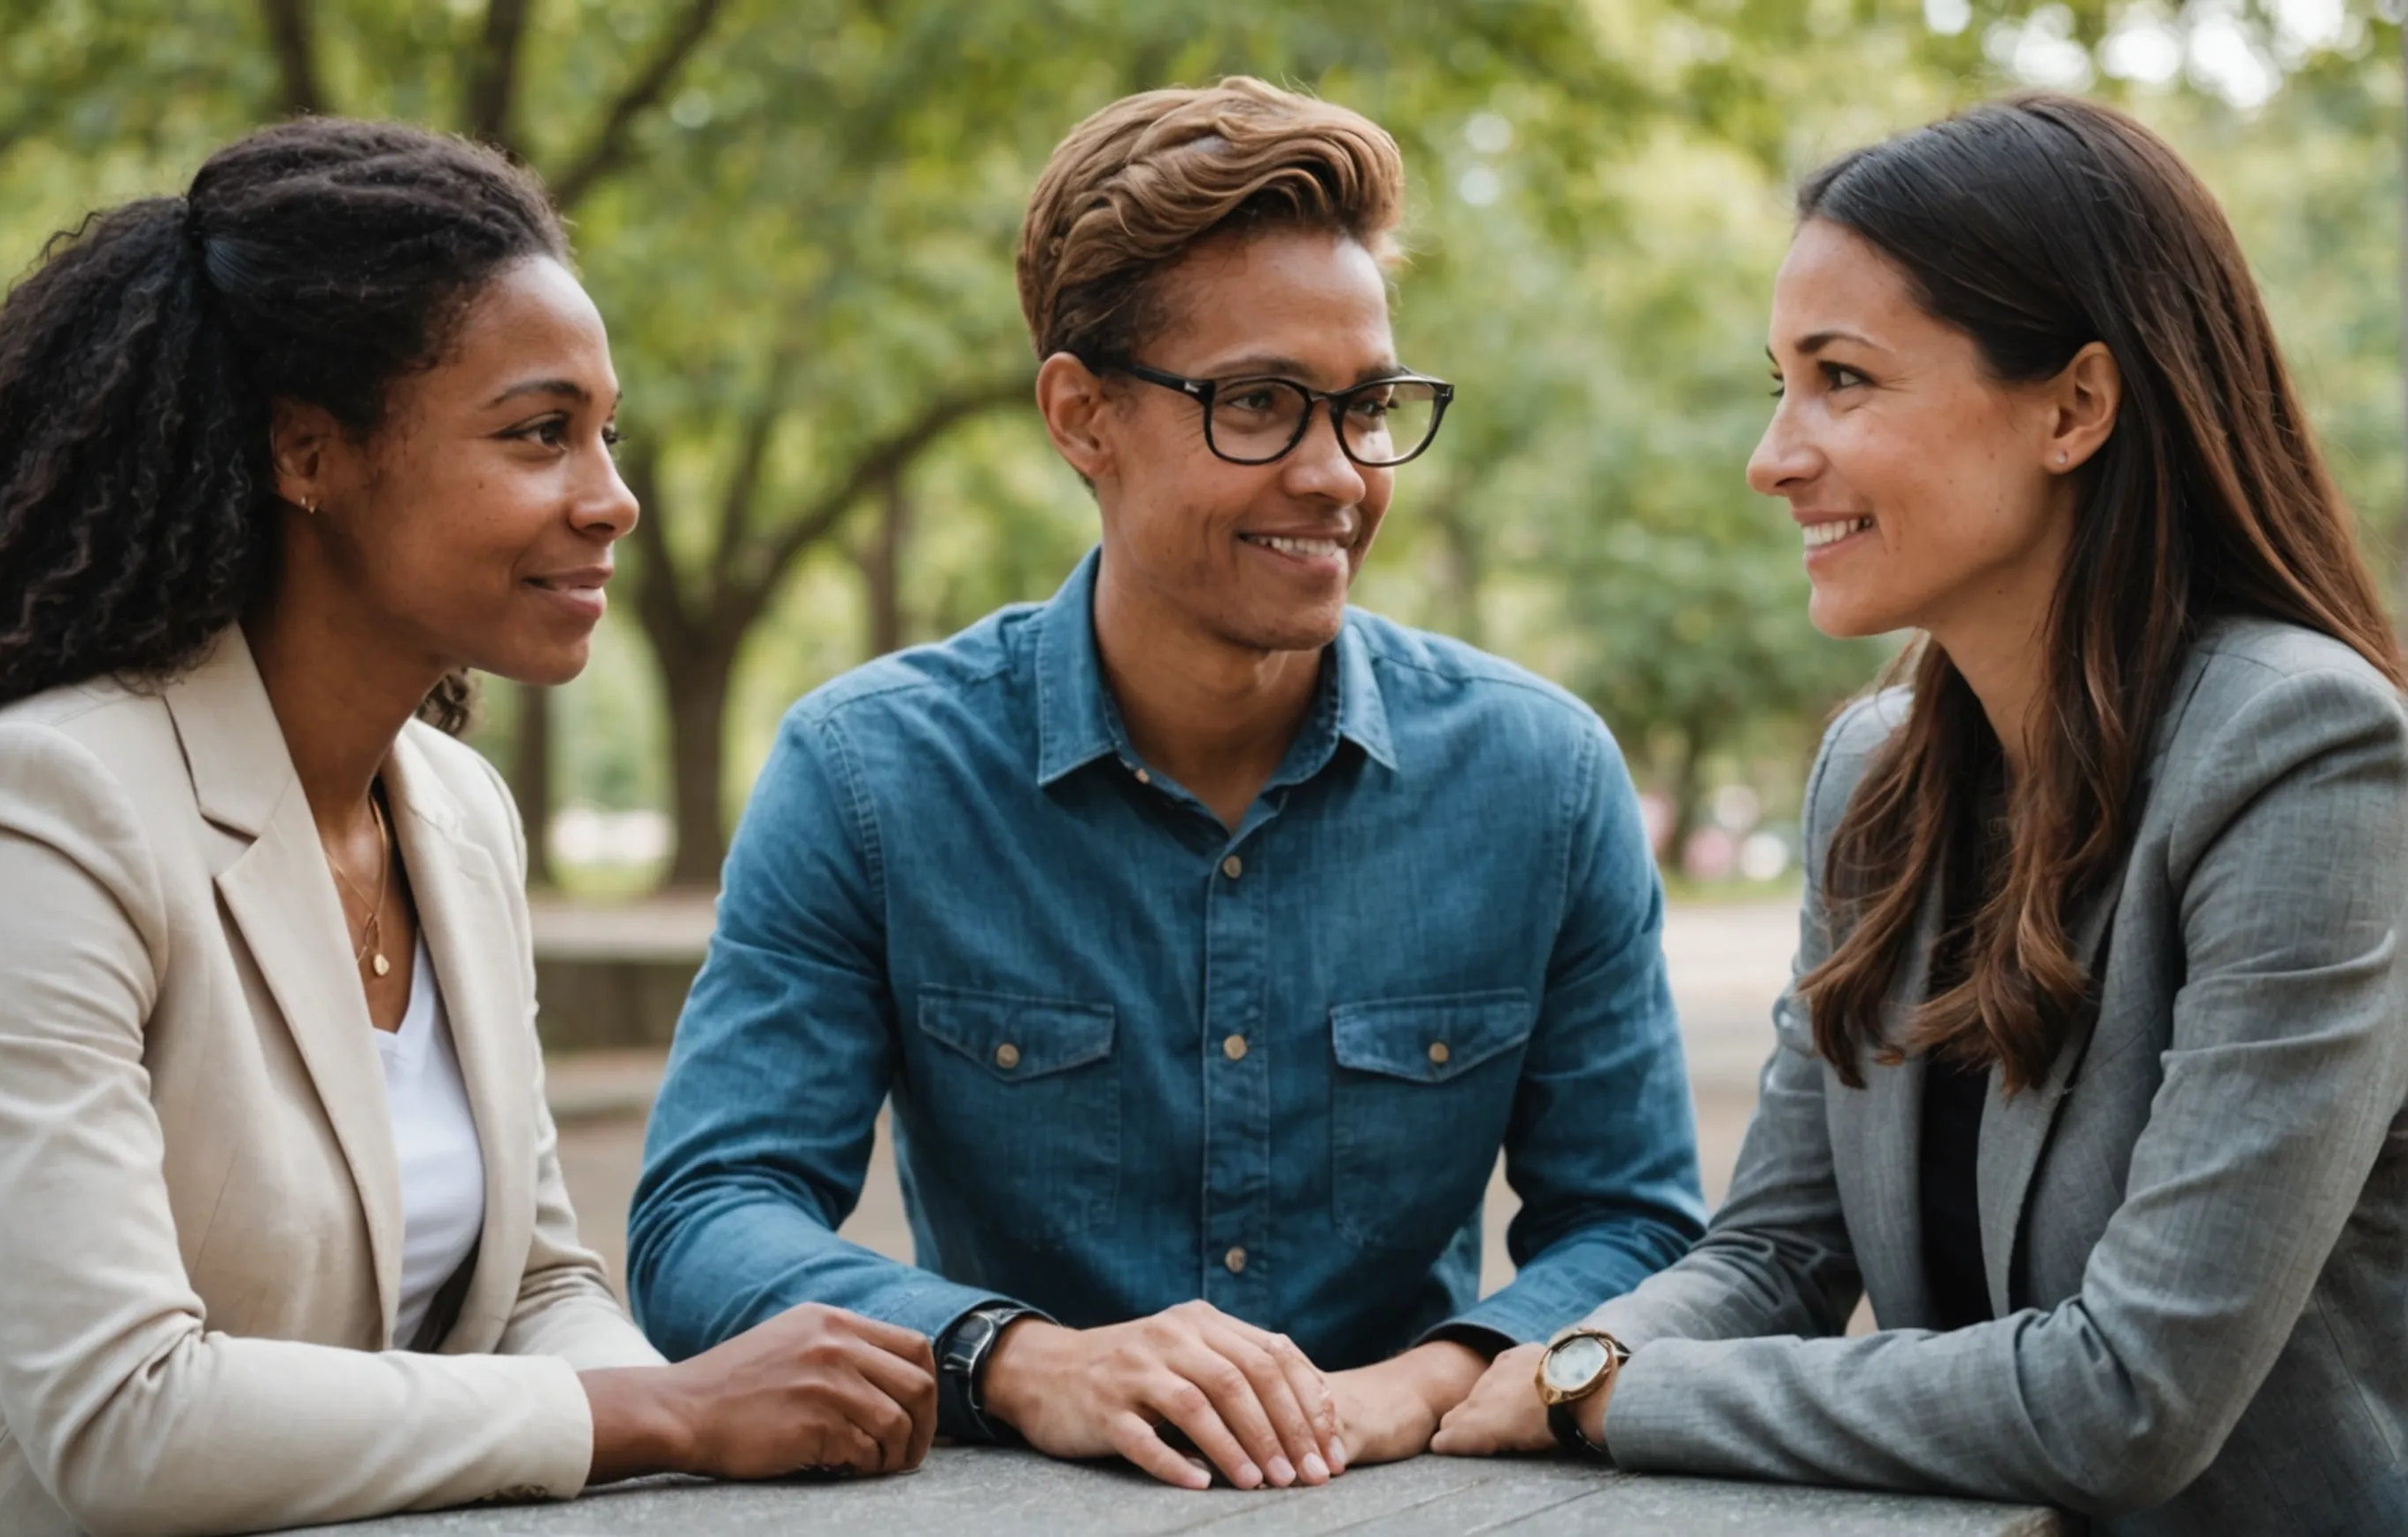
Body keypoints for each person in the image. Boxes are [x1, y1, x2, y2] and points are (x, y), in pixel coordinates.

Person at [0, 119, 936, 1537]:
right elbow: (126, 1418)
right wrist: (668, 1410)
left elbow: (539, 1290)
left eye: (604, 433)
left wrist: (716, 1467)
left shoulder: (456, 813)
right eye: (538, 432)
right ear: (308, 453)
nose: (611, 497)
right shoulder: (41, 817)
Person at [629, 77, 1704, 1494]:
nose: (1337, 473)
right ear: (1082, 417)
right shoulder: (869, 773)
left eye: (1369, 405)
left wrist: (1413, 1389)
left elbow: (1639, 1225)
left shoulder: (1542, 778)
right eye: (1260, 404)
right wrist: (1025, 1360)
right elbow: (708, 1212)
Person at [1429, 95, 2408, 1536]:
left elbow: (2128, 1396)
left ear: (2074, 406)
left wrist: (1605, 1394)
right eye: (1779, 381)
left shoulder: (2301, 752)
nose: (1773, 455)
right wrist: (1526, 1363)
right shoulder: (1874, 778)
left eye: (1842, 380)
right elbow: (1774, 1253)